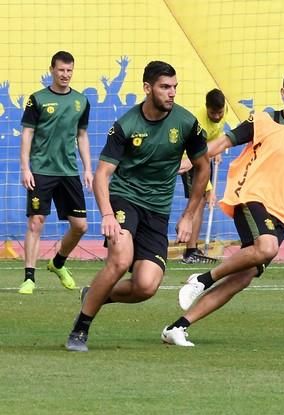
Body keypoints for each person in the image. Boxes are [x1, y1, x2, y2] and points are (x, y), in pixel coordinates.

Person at [161, 69, 284, 347]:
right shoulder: (262, 120)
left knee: (244, 276)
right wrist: (192, 160)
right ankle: (200, 278)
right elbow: (225, 141)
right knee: (267, 247)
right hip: (249, 195)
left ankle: (178, 327)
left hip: (280, 213)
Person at [65, 61, 210, 352]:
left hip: (157, 210)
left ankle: (95, 294)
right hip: (124, 199)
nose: (171, 93)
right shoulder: (126, 125)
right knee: (120, 259)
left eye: (174, 87)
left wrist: (188, 214)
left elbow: (202, 167)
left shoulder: (186, 123)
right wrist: (107, 213)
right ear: (147, 88)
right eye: (164, 87)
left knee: (146, 286)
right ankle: (80, 328)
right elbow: (103, 175)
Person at [18, 51, 92, 295]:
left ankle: (58, 262)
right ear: (52, 70)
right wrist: (25, 167)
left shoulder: (81, 101)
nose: (65, 75)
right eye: (61, 70)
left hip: (68, 171)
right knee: (36, 222)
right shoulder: (37, 99)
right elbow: (27, 133)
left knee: (80, 226)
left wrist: (88, 169)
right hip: (40, 170)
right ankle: (29, 278)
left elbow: (82, 136)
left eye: (69, 70)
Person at [178, 88, 227, 263]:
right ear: (206, 108)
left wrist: (217, 149)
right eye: (213, 113)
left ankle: (190, 244)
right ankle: (190, 252)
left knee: (200, 203)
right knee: (197, 202)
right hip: (189, 159)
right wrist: (210, 189)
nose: (217, 116)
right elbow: (198, 163)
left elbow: (218, 130)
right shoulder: (198, 124)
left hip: (204, 155)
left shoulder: (223, 111)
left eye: (219, 113)